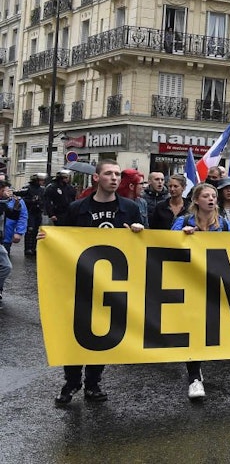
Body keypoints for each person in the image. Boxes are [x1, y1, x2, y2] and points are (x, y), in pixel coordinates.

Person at [45, 159, 144, 405]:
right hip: (79, 281)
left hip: (112, 282)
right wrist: (46, 239)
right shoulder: (77, 208)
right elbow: (62, 239)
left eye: (117, 174)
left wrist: (139, 231)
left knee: (101, 333)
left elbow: (145, 240)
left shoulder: (130, 208)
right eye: (109, 173)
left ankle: (93, 382)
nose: (114, 178)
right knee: (75, 331)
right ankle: (71, 381)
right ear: (96, 178)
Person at [171, 183, 230, 399]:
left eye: (213, 196)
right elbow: (166, 247)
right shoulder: (183, 221)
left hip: (214, 282)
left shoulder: (224, 225)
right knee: (193, 328)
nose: (211, 199)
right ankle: (194, 377)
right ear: (196, 200)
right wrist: (182, 236)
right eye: (206, 195)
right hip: (188, 283)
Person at [18, 173, 46, 256]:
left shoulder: (42, 190)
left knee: (36, 231)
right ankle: (28, 248)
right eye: (41, 180)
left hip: (38, 212)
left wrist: (41, 203)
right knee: (30, 230)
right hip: (30, 211)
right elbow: (22, 199)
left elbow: (44, 200)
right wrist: (32, 200)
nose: (42, 182)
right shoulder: (27, 188)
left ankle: (34, 248)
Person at [1, 183, 27, 256]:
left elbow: (22, 217)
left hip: (6, 236)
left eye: (8, 190)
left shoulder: (16, 201)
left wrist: (19, 232)